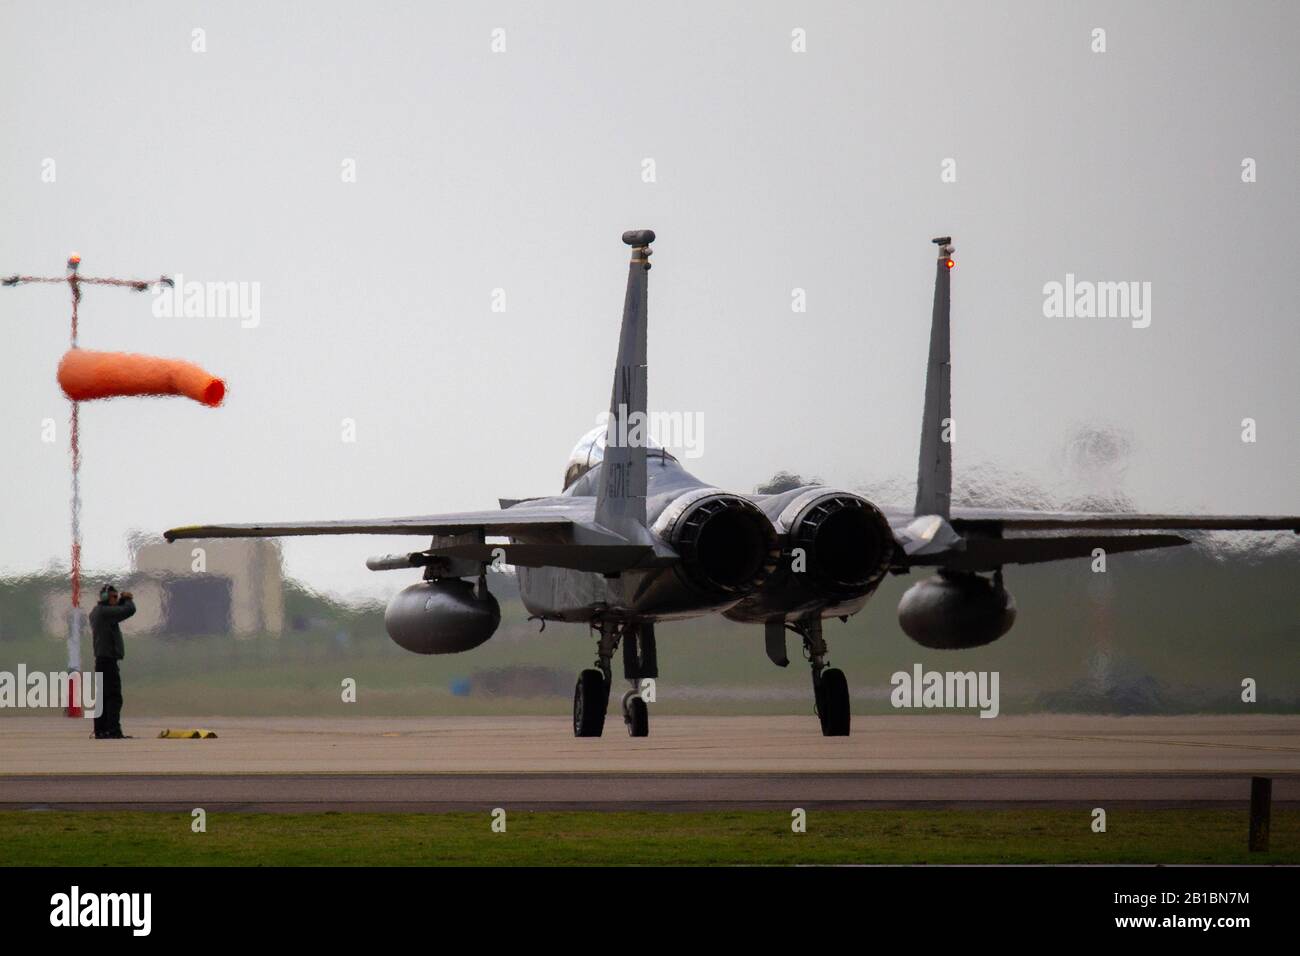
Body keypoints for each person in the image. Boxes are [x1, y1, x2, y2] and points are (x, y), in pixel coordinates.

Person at [90, 583, 135, 739]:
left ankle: (101, 730)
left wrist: (120, 601)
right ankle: (113, 730)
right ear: (105, 598)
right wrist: (127, 599)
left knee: (102, 697)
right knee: (114, 697)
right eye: (113, 597)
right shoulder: (104, 613)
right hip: (108, 661)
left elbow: (117, 611)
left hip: (101, 660)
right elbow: (129, 610)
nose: (116, 600)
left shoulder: (97, 612)